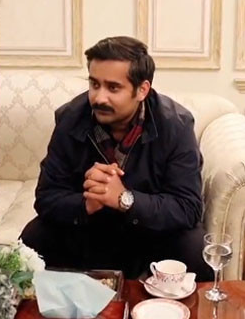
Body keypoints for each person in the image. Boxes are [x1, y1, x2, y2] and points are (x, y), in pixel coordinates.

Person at [20, 36, 213, 281]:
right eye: (94, 84)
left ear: (142, 90)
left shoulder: (175, 125)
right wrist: (87, 203)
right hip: (90, 229)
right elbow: (46, 197)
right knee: (33, 238)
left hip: (150, 231)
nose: (99, 98)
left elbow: (188, 208)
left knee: (195, 248)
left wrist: (124, 199)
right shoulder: (70, 119)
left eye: (113, 88)